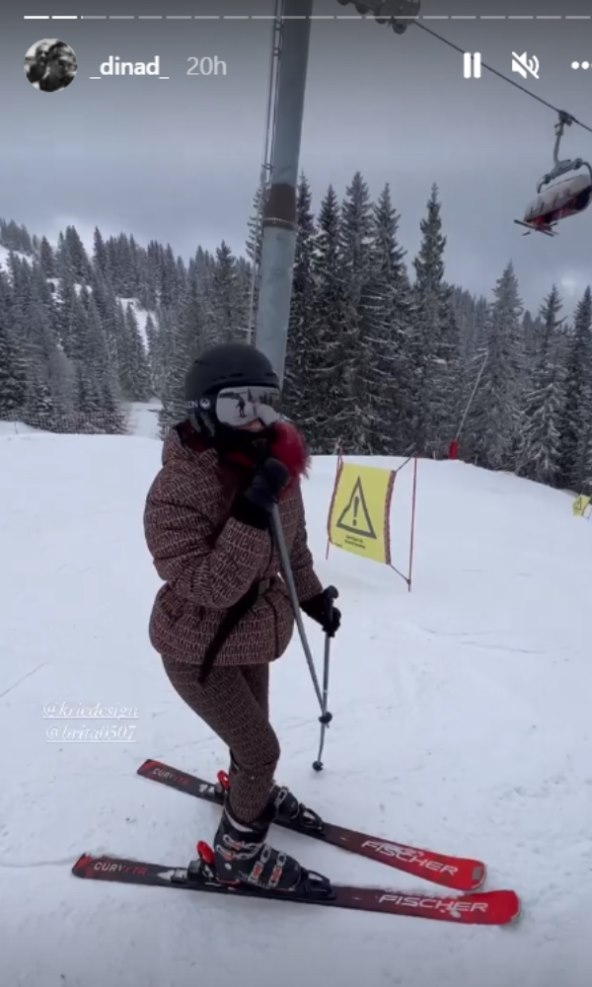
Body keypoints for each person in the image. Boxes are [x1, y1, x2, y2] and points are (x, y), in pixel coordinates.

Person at [144, 342, 341, 892]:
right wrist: (251, 513)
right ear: (205, 411)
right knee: (262, 749)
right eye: (239, 406)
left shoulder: (275, 464)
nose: (257, 420)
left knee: (251, 740)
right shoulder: (176, 491)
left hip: (253, 632)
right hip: (196, 648)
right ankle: (238, 856)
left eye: (267, 403)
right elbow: (211, 587)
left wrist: (311, 596)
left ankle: (249, 791)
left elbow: (292, 548)